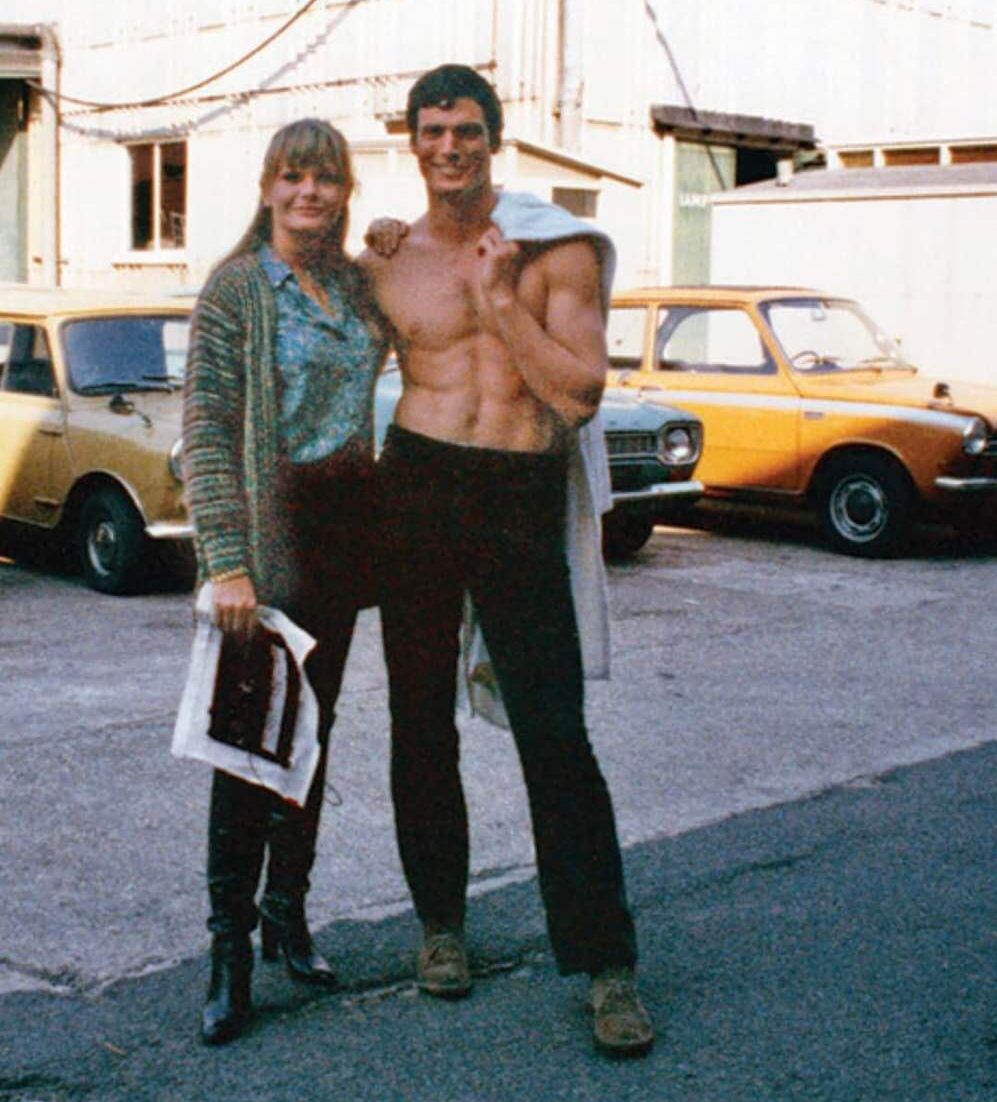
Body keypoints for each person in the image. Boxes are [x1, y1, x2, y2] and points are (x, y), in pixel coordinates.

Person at [360, 63, 654, 1056]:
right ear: (412, 142)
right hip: (419, 481)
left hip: (519, 492)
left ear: (495, 137)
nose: (450, 145)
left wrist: (496, 302)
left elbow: (576, 396)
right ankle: (441, 924)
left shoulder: (554, 248)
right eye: (432, 130)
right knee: (416, 716)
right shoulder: (390, 263)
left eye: (467, 129)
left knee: (553, 729)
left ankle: (607, 964)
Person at [182, 118, 388, 1045]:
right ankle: (228, 947)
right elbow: (210, 432)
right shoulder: (236, 292)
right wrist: (225, 560)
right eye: (294, 177)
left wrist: (398, 245)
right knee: (250, 743)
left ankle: (287, 914)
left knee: (311, 736)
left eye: (327, 179)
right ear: (268, 186)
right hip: (273, 539)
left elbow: (411, 316)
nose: (311, 193)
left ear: (345, 192)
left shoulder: (352, 286)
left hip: (348, 534)